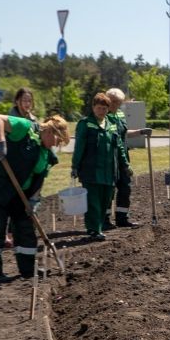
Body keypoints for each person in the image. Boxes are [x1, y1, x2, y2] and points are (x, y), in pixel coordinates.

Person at [0, 113, 70, 278]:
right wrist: (1, 142)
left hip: (20, 193)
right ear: (50, 132)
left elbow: (38, 180)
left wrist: (33, 201)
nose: (57, 145)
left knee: (25, 226)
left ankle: (27, 269)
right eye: (58, 141)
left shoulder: (47, 154)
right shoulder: (25, 127)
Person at [71, 92, 121, 242]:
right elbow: (79, 146)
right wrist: (75, 165)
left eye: (105, 109)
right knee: (93, 201)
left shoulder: (111, 124)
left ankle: (97, 226)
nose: (102, 111)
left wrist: (123, 164)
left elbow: (117, 147)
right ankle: (93, 229)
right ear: (93, 108)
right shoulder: (85, 123)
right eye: (99, 108)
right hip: (90, 170)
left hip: (108, 170)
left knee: (105, 200)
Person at [3, 87, 37, 249]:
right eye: (24, 100)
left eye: (29, 100)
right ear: (17, 101)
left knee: (26, 200)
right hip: (13, 163)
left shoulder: (33, 120)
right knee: (11, 200)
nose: (27, 103)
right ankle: (7, 235)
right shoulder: (11, 118)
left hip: (28, 166)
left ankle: (16, 233)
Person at [104, 88, 139, 229]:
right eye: (113, 102)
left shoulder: (119, 114)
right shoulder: (103, 115)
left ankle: (122, 218)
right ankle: (105, 220)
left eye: (119, 103)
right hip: (109, 158)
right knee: (109, 190)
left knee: (125, 187)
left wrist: (140, 132)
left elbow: (123, 134)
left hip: (123, 156)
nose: (116, 105)